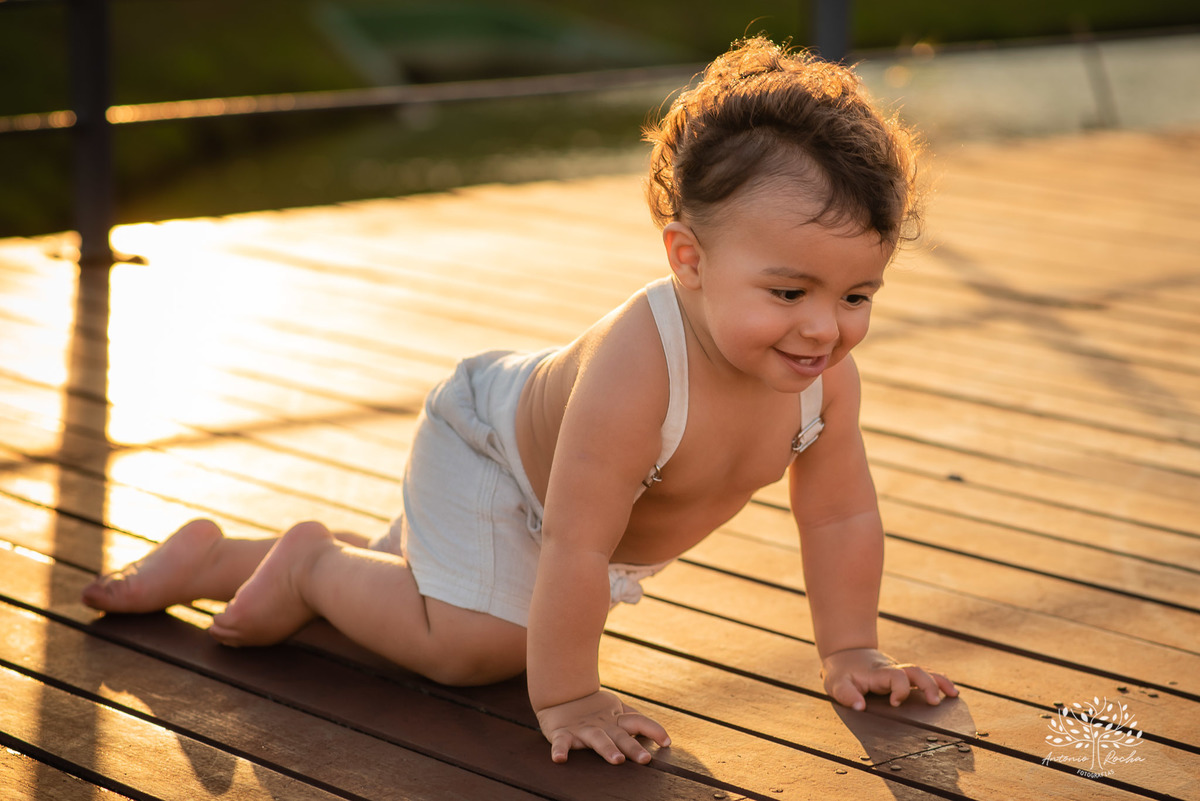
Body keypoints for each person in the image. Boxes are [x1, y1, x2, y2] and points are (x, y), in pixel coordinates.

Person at [82, 36, 958, 766]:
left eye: (856, 296)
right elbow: (577, 544)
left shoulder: (822, 382)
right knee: (477, 646)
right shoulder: (642, 371)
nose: (824, 328)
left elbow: (839, 514)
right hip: (492, 451)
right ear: (688, 259)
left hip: (570, 509)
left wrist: (851, 650)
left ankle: (214, 561)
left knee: (430, 596)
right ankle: (311, 563)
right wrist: (571, 697)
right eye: (789, 292)